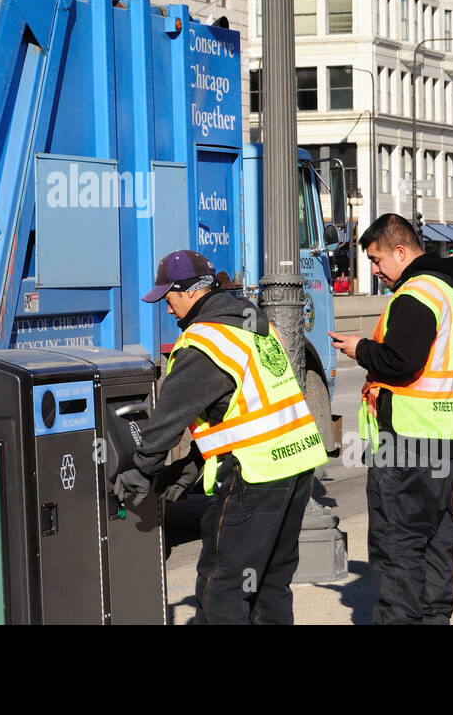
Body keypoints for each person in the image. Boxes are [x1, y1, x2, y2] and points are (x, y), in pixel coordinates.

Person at [112, 249, 327, 625]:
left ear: (191, 292)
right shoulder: (254, 326)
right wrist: (190, 467)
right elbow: (244, 411)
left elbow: (166, 421)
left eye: (169, 297)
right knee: (270, 586)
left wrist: (140, 470)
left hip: (255, 476)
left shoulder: (203, 341)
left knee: (223, 588)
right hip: (297, 468)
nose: (167, 309)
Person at [328, 213, 453, 625]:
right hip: (447, 441)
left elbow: (401, 361)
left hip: (408, 445)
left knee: (398, 551)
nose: (374, 271)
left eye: (377, 261)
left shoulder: (415, 293)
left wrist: (360, 349)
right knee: (437, 543)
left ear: (401, 250)